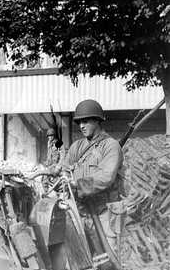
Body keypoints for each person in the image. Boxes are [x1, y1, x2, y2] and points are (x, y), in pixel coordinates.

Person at [51, 99, 123, 255]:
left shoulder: (111, 146)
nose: (81, 126)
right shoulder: (77, 146)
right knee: (83, 255)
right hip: (81, 209)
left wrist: (76, 183)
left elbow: (106, 177)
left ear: (97, 121)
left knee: (110, 255)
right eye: (79, 122)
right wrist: (59, 176)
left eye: (85, 121)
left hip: (104, 210)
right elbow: (65, 168)